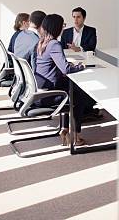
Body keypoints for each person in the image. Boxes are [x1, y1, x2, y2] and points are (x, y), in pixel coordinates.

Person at [35, 14, 95, 146]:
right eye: (62, 25)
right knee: (80, 96)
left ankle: (65, 129)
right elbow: (66, 69)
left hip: (41, 89)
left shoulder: (42, 42)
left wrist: (69, 66)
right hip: (49, 94)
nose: (64, 28)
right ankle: (76, 136)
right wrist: (81, 66)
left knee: (74, 89)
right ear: (56, 27)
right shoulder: (54, 44)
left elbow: (56, 66)